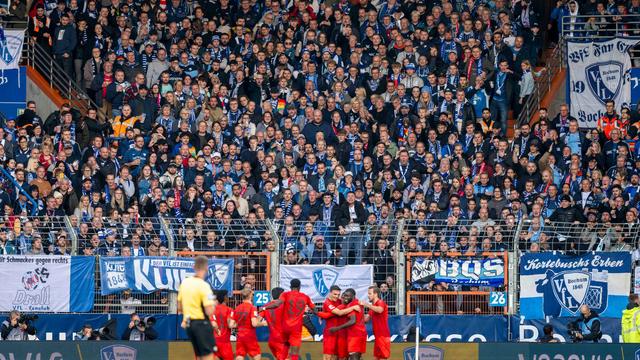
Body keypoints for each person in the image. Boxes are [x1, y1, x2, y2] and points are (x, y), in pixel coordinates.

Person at [263, 279, 317, 360]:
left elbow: (277, 304)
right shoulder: (305, 297)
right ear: (299, 287)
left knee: (284, 353)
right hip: (295, 329)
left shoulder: (285, 295)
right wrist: (320, 315)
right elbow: (315, 310)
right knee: (294, 354)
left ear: (290, 286)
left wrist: (264, 308)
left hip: (285, 329)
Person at [177, 256, 217, 360]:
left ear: (194, 267)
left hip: (189, 324)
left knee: (198, 355)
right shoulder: (204, 286)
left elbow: (179, 306)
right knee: (207, 356)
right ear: (206, 268)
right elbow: (209, 311)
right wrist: (213, 303)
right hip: (201, 324)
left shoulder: (185, 283)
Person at [318, 285, 361, 360]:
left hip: (341, 334)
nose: (337, 296)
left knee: (339, 356)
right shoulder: (327, 303)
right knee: (328, 356)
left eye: (338, 295)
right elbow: (339, 313)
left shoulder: (340, 301)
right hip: (330, 333)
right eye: (335, 294)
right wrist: (353, 307)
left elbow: (351, 299)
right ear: (330, 293)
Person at [328, 288, 366, 360]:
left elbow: (352, 321)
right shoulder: (358, 302)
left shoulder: (351, 305)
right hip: (361, 333)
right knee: (357, 356)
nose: (345, 298)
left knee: (353, 356)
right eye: (344, 295)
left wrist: (337, 328)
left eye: (348, 296)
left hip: (354, 334)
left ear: (353, 296)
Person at [232, 287, 267, 360]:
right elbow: (254, 323)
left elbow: (232, 324)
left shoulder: (237, 308)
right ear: (250, 295)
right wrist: (263, 323)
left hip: (240, 336)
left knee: (240, 355)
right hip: (249, 336)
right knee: (256, 355)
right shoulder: (252, 307)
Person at [362, 285, 390, 360]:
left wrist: (366, 305)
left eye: (369, 293)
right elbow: (365, 320)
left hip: (383, 335)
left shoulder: (380, 302)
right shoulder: (373, 307)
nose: (368, 296)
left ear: (375, 294)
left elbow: (379, 310)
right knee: (377, 357)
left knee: (383, 357)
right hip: (378, 336)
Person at [261, 287, 288, 360]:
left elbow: (256, 321)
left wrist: (267, 323)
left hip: (272, 340)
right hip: (281, 340)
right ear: (281, 295)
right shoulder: (284, 306)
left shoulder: (265, 306)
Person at [212, 290, 236, 360]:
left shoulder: (212, 310)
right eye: (227, 296)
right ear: (225, 298)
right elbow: (230, 325)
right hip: (225, 343)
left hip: (213, 342)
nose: (228, 298)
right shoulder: (229, 310)